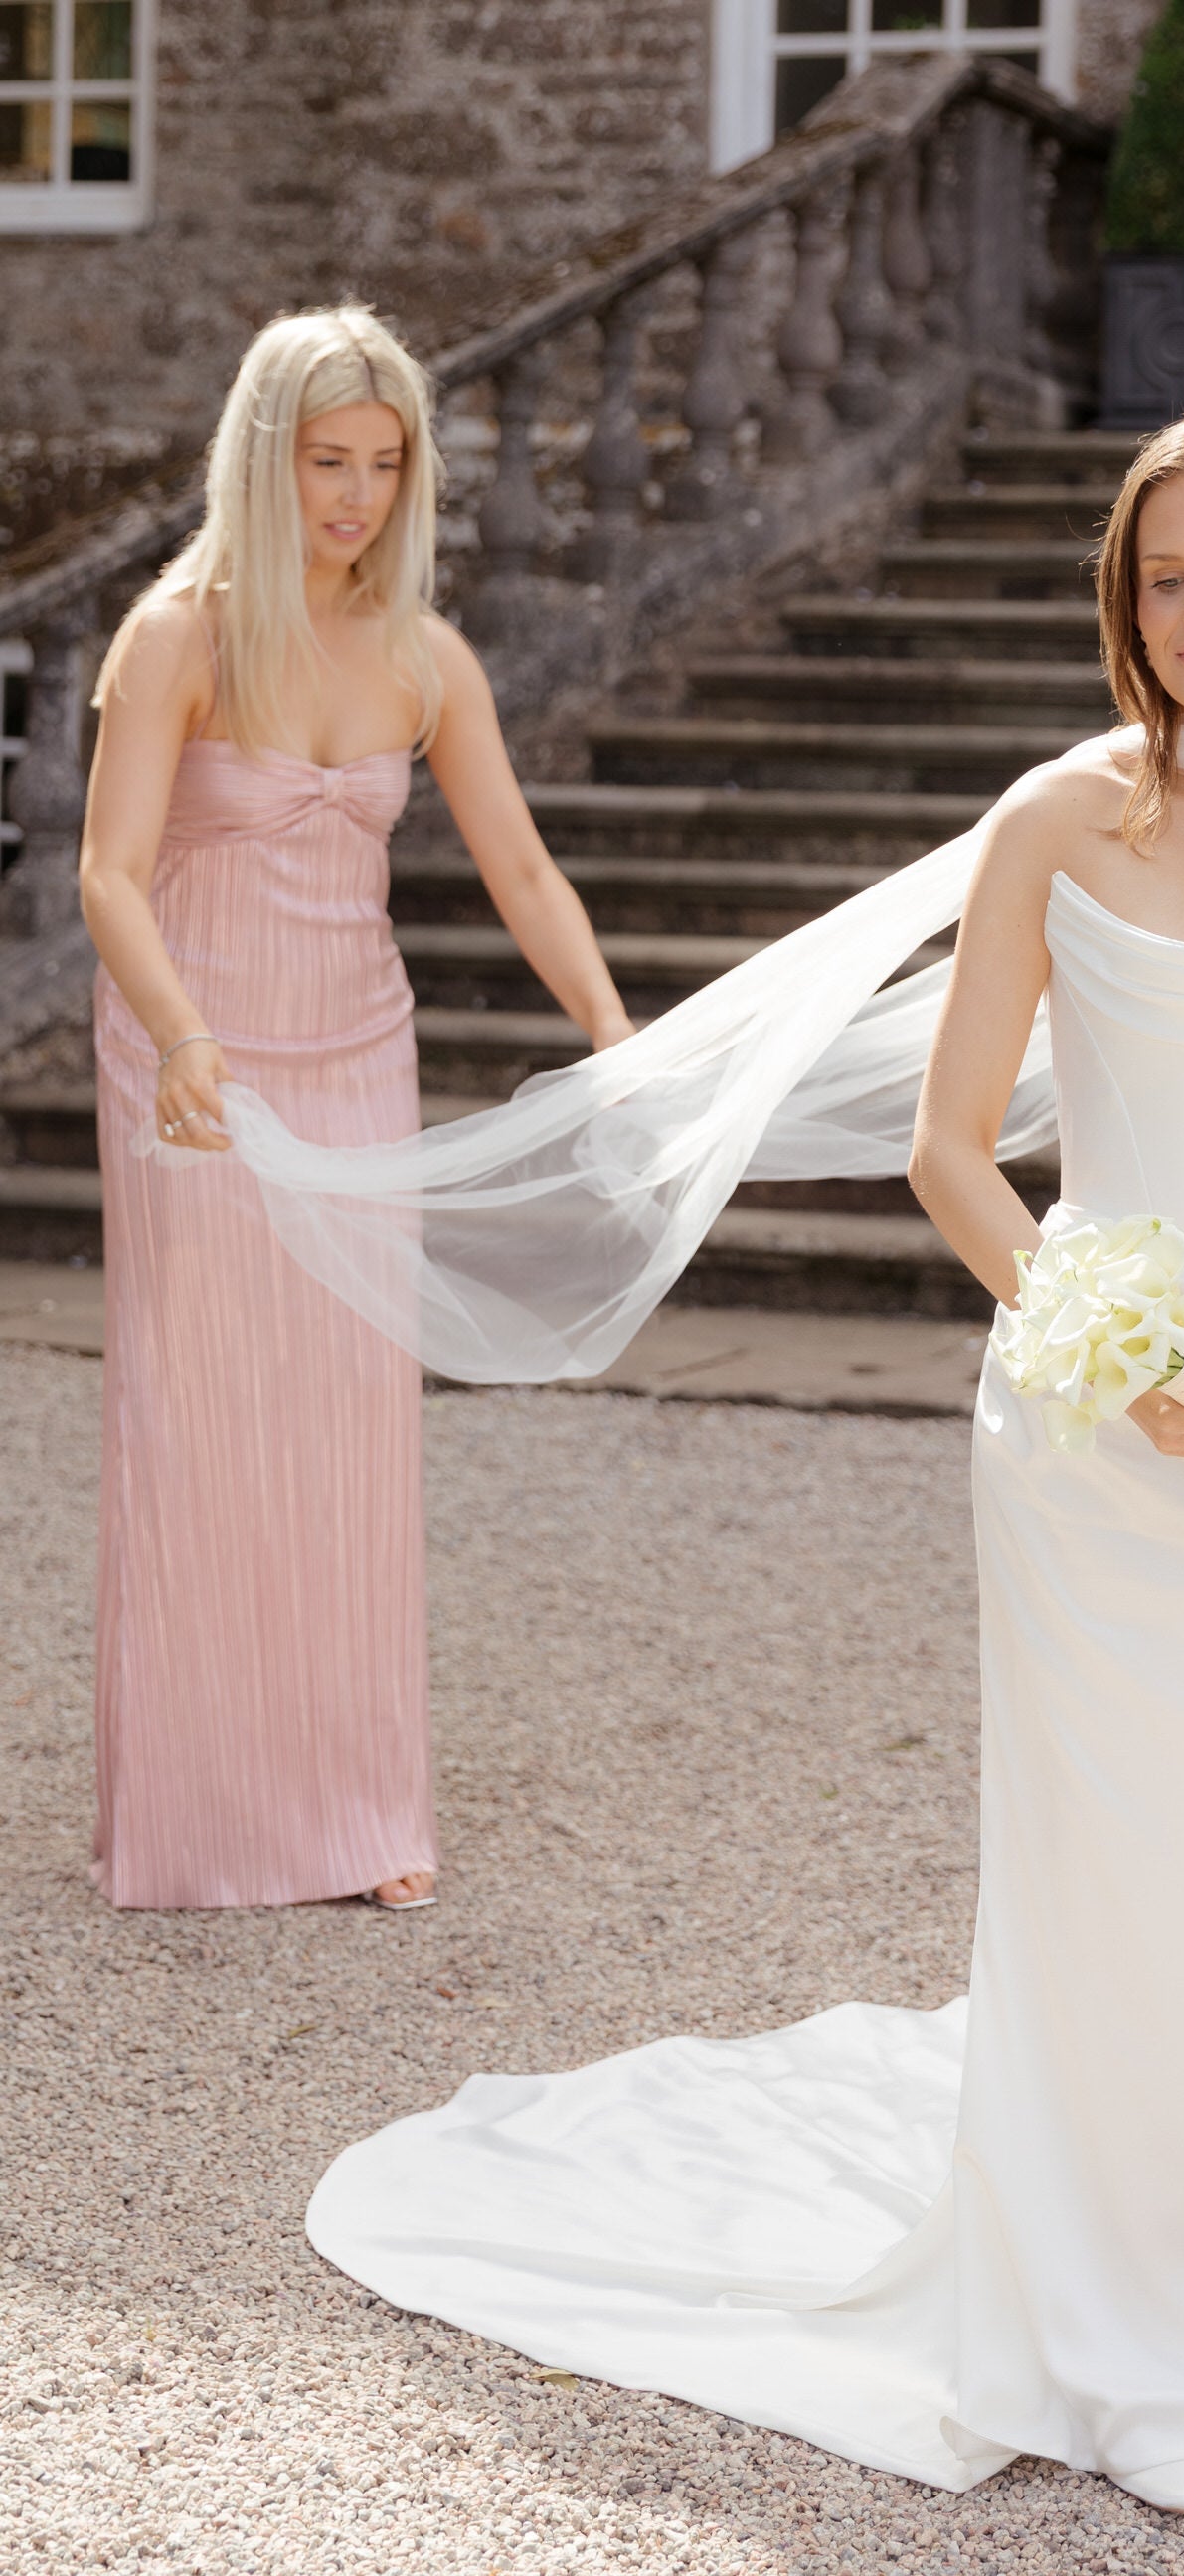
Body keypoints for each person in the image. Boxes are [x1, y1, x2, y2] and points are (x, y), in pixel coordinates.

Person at [293, 402, 1184, 2511]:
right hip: (1097, 1441)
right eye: (1167, 577)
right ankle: (1105, 2321)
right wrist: (1118, 1358)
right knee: (1114, 1879)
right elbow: (960, 1156)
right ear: (1126, 600)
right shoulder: (1063, 819)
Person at [80, 304, 632, 1910]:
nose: (359, 497)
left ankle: (361, 1813)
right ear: (266, 457)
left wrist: (609, 1029)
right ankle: (195, 1824)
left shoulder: (422, 654)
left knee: (341, 1434)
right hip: (192, 1071)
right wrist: (181, 1035)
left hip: (356, 1057)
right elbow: (107, 874)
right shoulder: (175, 634)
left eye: (387, 466)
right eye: (330, 461)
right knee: (201, 1423)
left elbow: (520, 867)